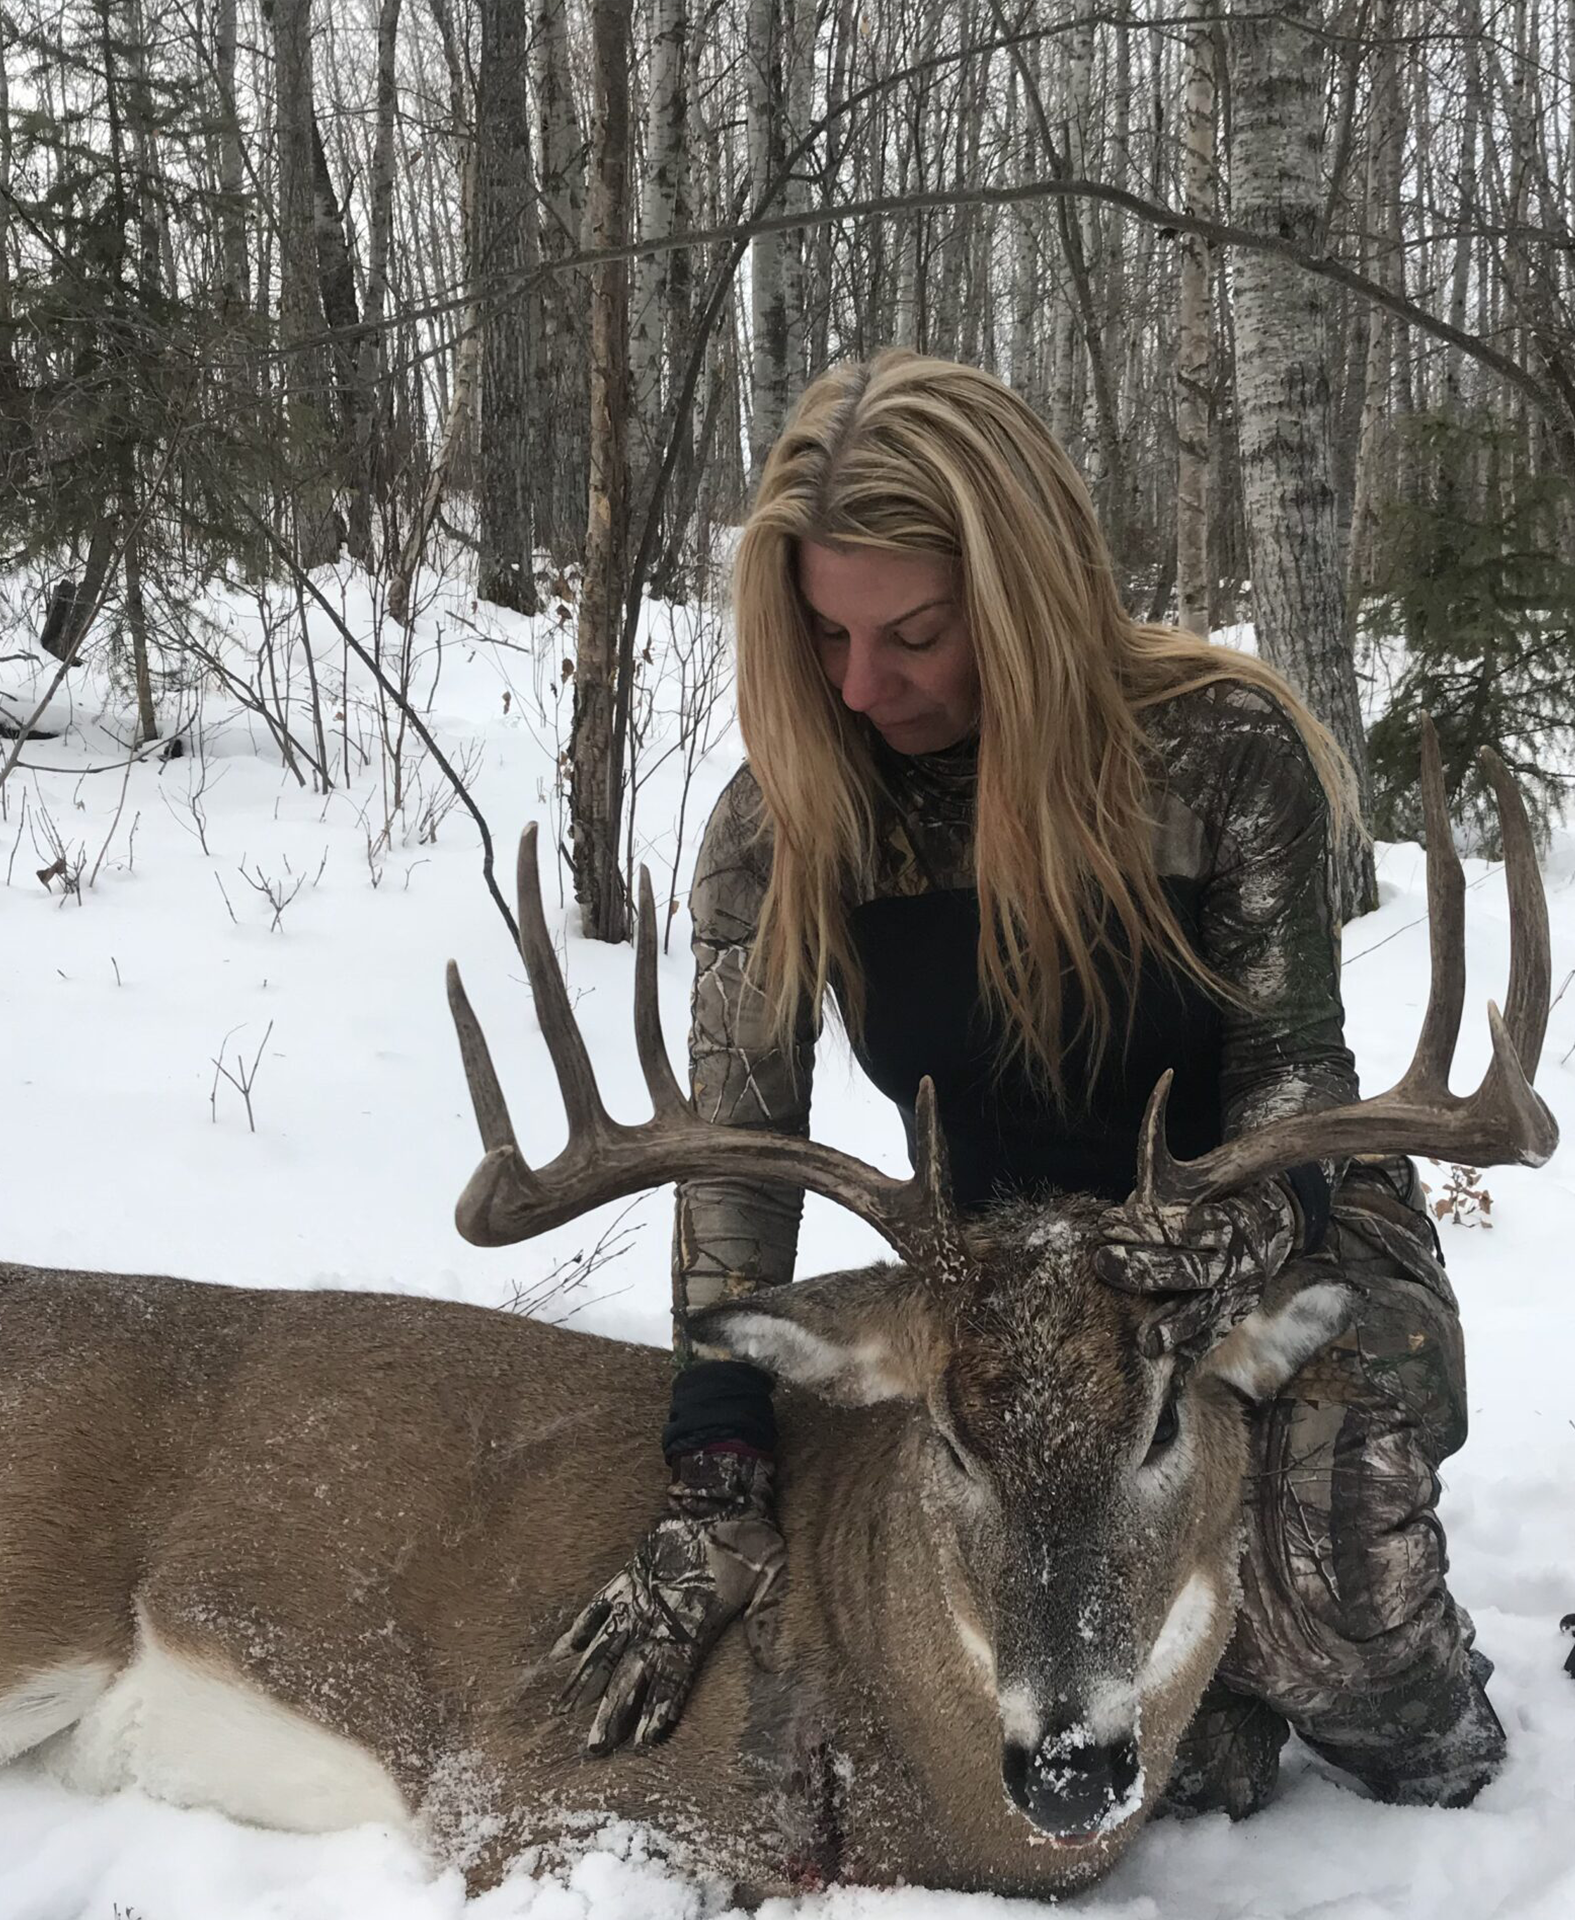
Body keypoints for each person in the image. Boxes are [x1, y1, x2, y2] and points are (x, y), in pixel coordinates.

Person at [550, 351, 1506, 1816]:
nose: (863, 688)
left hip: (1276, 1230)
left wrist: (1198, 1254)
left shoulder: (1220, 756)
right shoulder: (786, 824)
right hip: (1002, 1287)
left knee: (1327, 1615)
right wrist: (715, 1470)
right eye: (822, 636)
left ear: (1025, 596)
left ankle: (1427, 1716)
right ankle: (1209, 1698)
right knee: (1014, 1569)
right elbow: (738, 1159)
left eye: (918, 634)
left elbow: (1291, 1088)